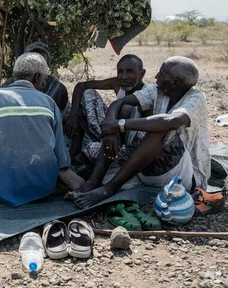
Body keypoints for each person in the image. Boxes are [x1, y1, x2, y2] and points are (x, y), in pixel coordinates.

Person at [68, 56, 210, 209]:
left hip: (183, 177)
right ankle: (94, 181)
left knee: (161, 127)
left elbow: (173, 121)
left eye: (161, 75)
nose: (156, 77)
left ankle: (108, 189)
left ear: (176, 83)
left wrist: (120, 125)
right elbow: (119, 102)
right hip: (148, 170)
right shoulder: (159, 91)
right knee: (125, 110)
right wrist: (111, 131)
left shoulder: (196, 98)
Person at [0, 52, 83, 207]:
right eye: (44, 79)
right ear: (38, 78)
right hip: (44, 188)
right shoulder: (49, 103)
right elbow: (62, 160)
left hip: (0, 188)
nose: (44, 83)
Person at [65, 54, 148, 162]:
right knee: (88, 93)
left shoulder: (148, 94)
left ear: (142, 74)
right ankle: (74, 152)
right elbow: (81, 86)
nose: (124, 76)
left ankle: (95, 156)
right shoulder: (118, 83)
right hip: (109, 132)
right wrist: (73, 114)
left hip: (128, 145)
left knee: (92, 149)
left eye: (129, 71)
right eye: (120, 72)